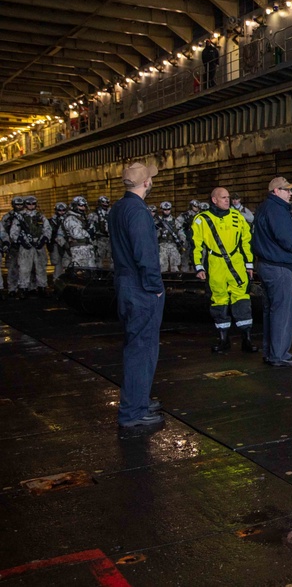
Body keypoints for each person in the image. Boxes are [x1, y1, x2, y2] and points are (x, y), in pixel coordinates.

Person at [108, 162, 165, 429]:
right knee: (142, 349)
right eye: (150, 179)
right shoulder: (138, 212)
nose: (152, 181)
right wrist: (155, 288)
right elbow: (145, 255)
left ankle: (139, 399)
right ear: (145, 183)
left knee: (136, 345)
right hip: (141, 287)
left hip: (125, 283)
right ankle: (133, 412)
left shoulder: (118, 208)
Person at [191, 187, 257, 354]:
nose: (227, 200)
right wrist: (198, 266)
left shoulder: (238, 217)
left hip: (237, 264)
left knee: (242, 299)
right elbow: (195, 244)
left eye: (228, 197)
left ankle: (247, 339)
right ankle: (223, 340)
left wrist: (249, 264)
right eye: (223, 197)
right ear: (214, 200)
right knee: (219, 301)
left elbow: (246, 241)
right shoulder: (201, 220)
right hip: (215, 265)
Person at [252, 177, 292, 367]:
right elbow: (287, 237)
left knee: (271, 311)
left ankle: (271, 352)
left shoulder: (264, 208)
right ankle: (280, 354)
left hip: (265, 265)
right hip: (278, 267)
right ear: (276, 191)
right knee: (282, 311)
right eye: (286, 190)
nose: (290, 193)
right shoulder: (276, 210)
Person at [8, 196, 51, 296]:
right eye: (29, 204)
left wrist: (44, 239)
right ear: (25, 204)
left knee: (41, 267)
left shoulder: (40, 216)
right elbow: (14, 232)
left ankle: (42, 287)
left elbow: (47, 229)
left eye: (33, 204)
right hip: (26, 246)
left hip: (38, 245)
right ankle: (23, 288)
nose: (31, 206)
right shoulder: (20, 217)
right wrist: (21, 240)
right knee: (24, 268)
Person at [63, 196, 96, 267]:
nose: (83, 208)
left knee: (91, 272)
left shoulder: (81, 217)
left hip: (87, 248)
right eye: (81, 205)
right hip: (78, 250)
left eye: (84, 206)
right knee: (81, 272)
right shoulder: (71, 218)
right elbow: (76, 234)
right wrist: (88, 233)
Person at [3, 197, 26, 291]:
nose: (19, 206)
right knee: (12, 267)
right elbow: (3, 231)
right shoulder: (8, 217)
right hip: (13, 245)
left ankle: (25, 287)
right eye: (17, 204)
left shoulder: (28, 215)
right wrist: (7, 242)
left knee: (26, 267)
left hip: (25, 245)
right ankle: (12, 288)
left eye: (21, 204)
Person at [155, 201, 184, 272]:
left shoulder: (175, 221)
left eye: (168, 209)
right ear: (162, 209)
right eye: (165, 209)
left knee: (175, 266)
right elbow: (153, 235)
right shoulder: (158, 221)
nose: (167, 211)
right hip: (162, 245)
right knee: (162, 266)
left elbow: (181, 232)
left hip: (173, 245)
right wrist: (158, 228)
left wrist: (182, 240)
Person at [88, 195, 112, 269]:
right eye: (103, 203)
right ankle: (99, 276)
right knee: (98, 259)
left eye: (107, 203)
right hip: (99, 239)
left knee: (112, 259)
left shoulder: (111, 213)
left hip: (110, 239)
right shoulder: (93, 215)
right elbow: (90, 229)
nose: (105, 204)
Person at [178, 199, 201, 272]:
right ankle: (185, 272)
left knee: (199, 256)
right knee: (185, 256)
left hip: (198, 238)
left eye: (197, 207)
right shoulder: (185, 215)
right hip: (187, 238)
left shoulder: (201, 215)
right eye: (194, 206)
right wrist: (182, 236)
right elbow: (178, 226)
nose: (196, 208)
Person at [49, 202, 70, 279]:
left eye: (63, 210)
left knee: (67, 263)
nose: (61, 212)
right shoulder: (52, 221)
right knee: (57, 263)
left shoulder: (68, 220)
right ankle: (56, 281)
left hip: (66, 244)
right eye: (59, 210)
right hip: (55, 245)